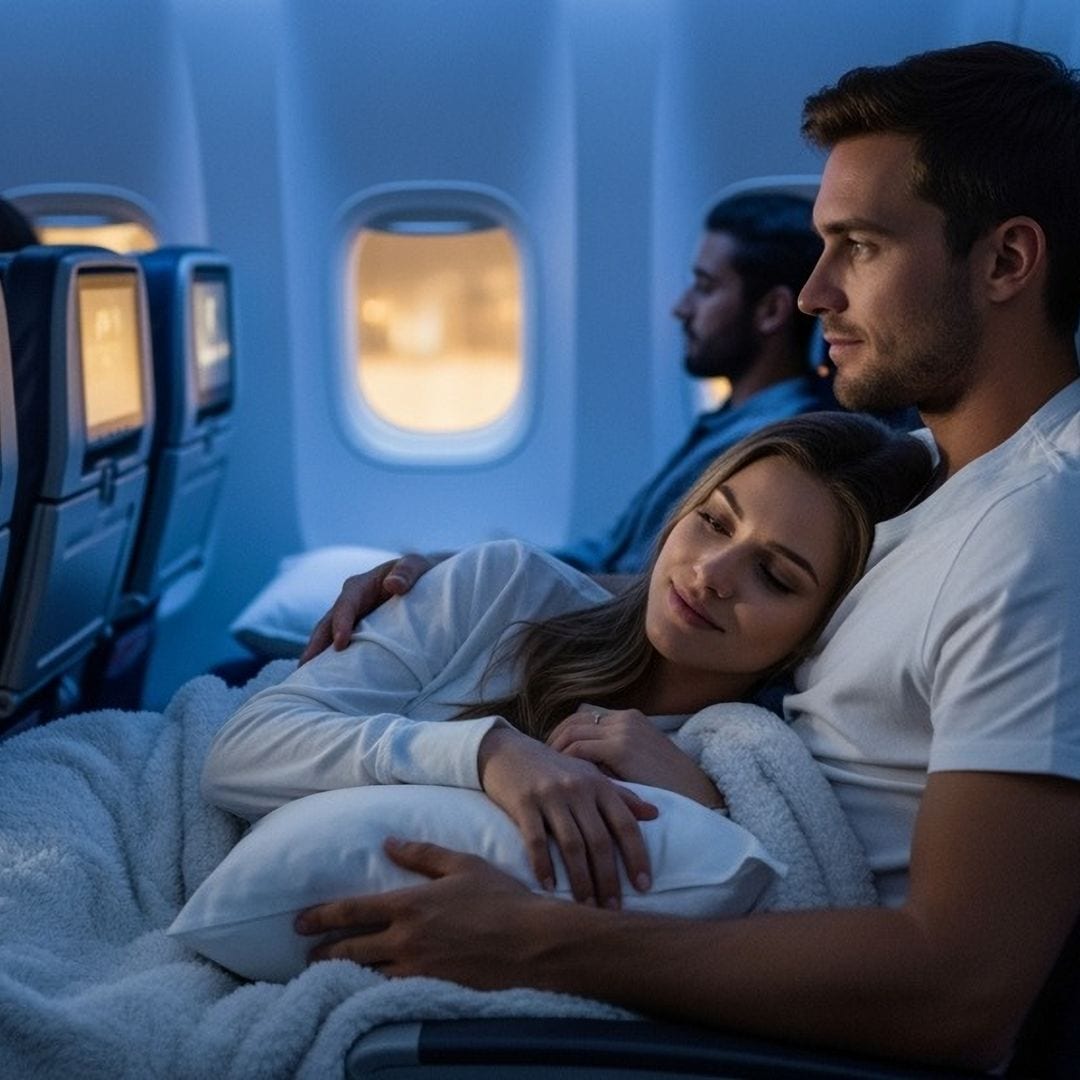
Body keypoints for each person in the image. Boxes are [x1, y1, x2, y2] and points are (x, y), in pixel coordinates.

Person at [283, 42, 1080, 1072]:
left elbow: (959, 991)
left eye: (860, 247)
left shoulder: (1038, 540)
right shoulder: (937, 467)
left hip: (740, 1009)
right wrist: (454, 581)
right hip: (684, 856)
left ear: (1007, 262)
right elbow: (812, 602)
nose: (812, 296)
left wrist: (538, 947)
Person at [204, 413, 932, 910]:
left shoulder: (742, 769)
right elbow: (236, 754)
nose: (711, 571)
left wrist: (710, 803)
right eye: (712, 520)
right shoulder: (503, 587)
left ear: (822, 628)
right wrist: (488, 752)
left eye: (775, 577)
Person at [297, 194, 835, 662]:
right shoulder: (730, 422)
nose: (680, 308)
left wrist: (480, 580)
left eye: (704, 286)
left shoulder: (772, 449)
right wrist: (466, 564)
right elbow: (606, 552)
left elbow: (657, 588)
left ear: (770, 311)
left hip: (608, 638)